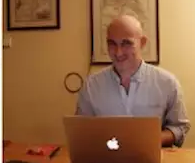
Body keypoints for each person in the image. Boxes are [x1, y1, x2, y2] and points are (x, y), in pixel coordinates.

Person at [76, 15, 189, 148]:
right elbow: (80, 132)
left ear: (142, 42)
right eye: (112, 44)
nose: (118, 53)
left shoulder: (167, 83)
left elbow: (180, 127)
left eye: (126, 43)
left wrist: (155, 139)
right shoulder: (91, 86)